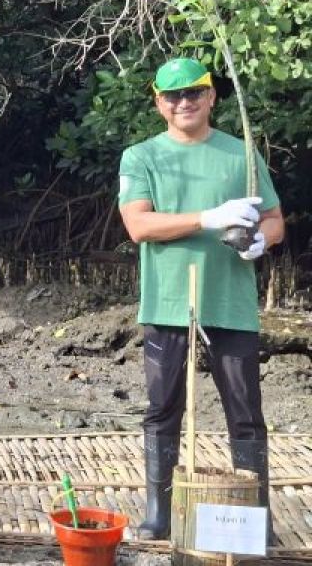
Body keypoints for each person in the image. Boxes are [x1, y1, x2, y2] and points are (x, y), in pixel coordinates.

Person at [118, 57, 284, 542]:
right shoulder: (141, 156)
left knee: (246, 412)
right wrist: (208, 218)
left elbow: (274, 218)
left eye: (194, 93)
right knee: (162, 406)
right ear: (158, 104)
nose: (184, 102)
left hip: (230, 302)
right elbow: (139, 226)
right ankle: (159, 510)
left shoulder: (243, 154)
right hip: (168, 301)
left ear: (212, 97)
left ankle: (258, 514)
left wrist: (263, 241)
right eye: (173, 96)